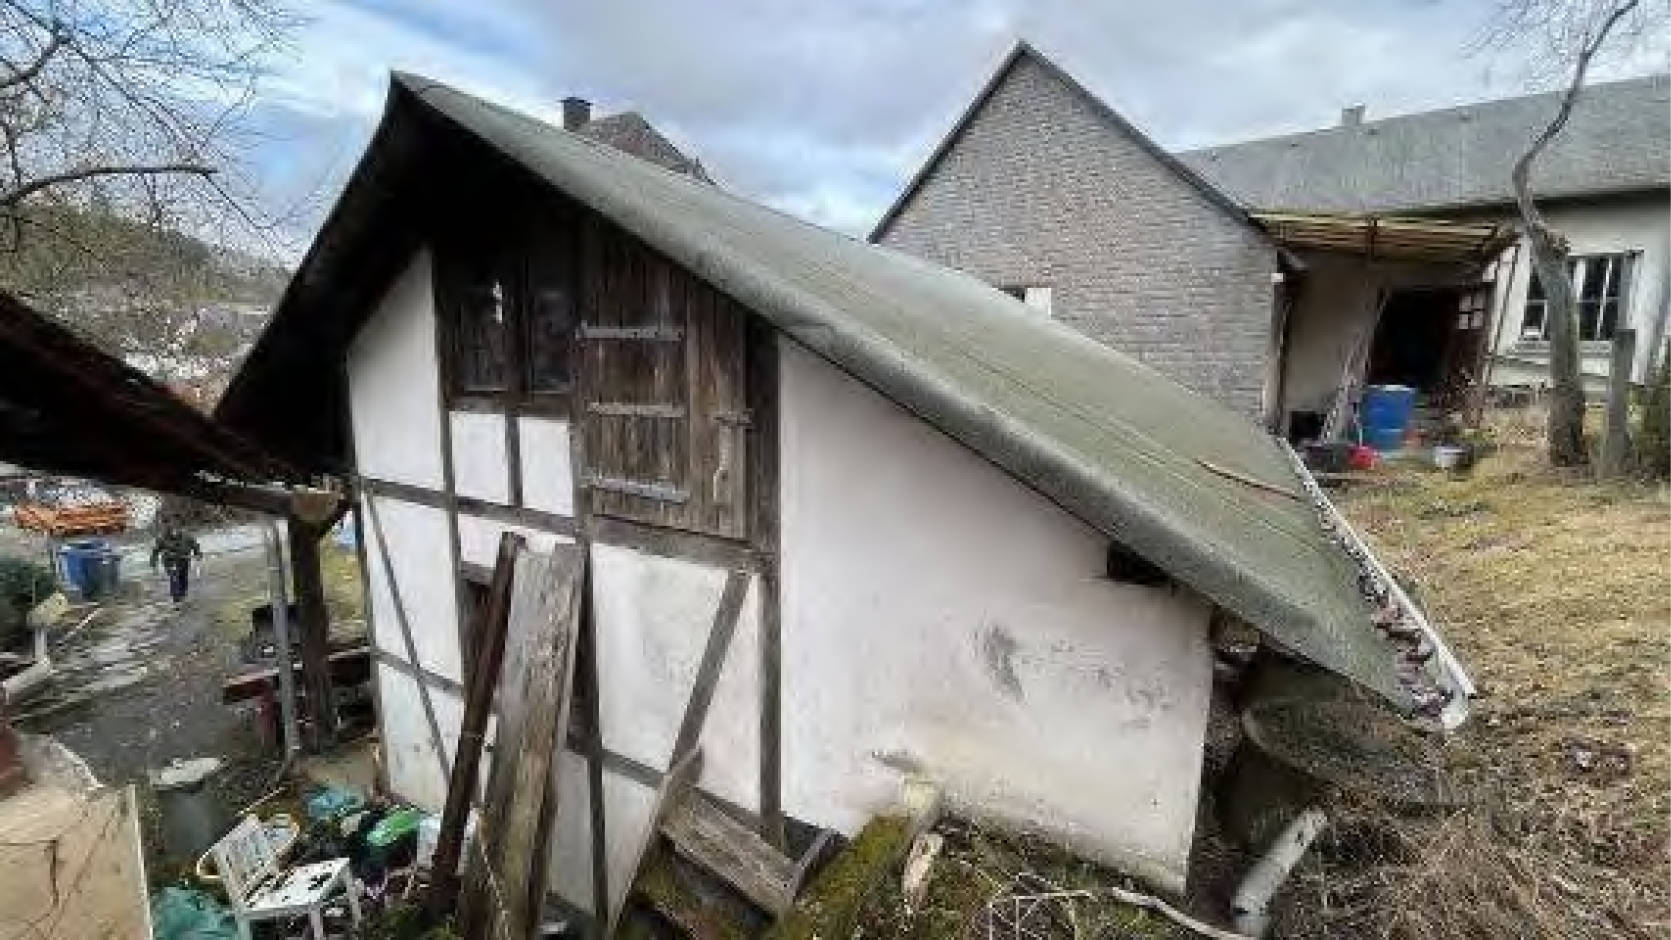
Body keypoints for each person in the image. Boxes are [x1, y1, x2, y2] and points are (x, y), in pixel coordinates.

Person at [150, 526, 203, 603]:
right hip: (170, 561)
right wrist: (154, 564)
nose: (174, 533)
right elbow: (155, 552)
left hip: (184, 560)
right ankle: (176, 599)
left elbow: (195, 546)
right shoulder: (162, 538)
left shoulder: (187, 536)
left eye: (176, 531)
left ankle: (183, 596)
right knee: (174, 577)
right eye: (172, 532)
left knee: (183, 579)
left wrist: (198, 554)